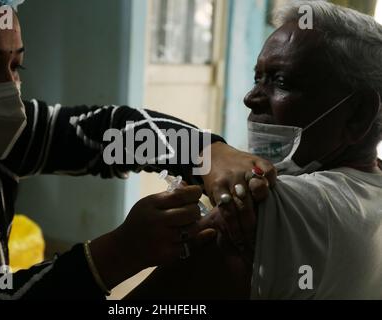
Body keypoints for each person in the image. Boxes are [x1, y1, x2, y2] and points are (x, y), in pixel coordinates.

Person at [0, 0, 276, 299]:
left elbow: (107, 132)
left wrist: (206, 153)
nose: (9, 91)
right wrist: (116, 253)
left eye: (15, 66)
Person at [126, 1, 382, 300]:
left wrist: (120, 250)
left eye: (281, 81)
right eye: (257, 78)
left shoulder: (255, 213)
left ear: (358, 114)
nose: (250, 98)